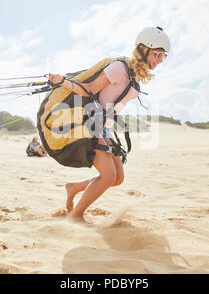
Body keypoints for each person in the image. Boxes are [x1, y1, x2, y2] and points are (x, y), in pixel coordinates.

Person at [48, 26, 170, 223]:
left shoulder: (137, 76)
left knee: (117, 178)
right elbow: (89, 89)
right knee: (107, 177)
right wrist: (63, 82)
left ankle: (74, 188)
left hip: (106, 127)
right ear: (143, 49)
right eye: (157, 54)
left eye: (163, 56)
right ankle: (76, 216)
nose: (159, 60)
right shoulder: (119, 68)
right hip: (92, 124)